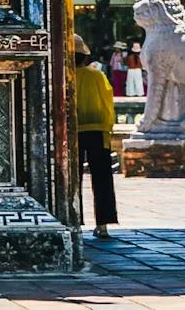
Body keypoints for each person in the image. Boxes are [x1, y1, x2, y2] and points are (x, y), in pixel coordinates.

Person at [72, 48, 119, 240]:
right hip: (98, 130)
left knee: (71, 180)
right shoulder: (97, 75)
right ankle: (103, 224)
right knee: (102, 178)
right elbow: (108, 102)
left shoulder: (65, 75)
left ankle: (73, 220)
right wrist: (109, 128)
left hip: (72, 131)